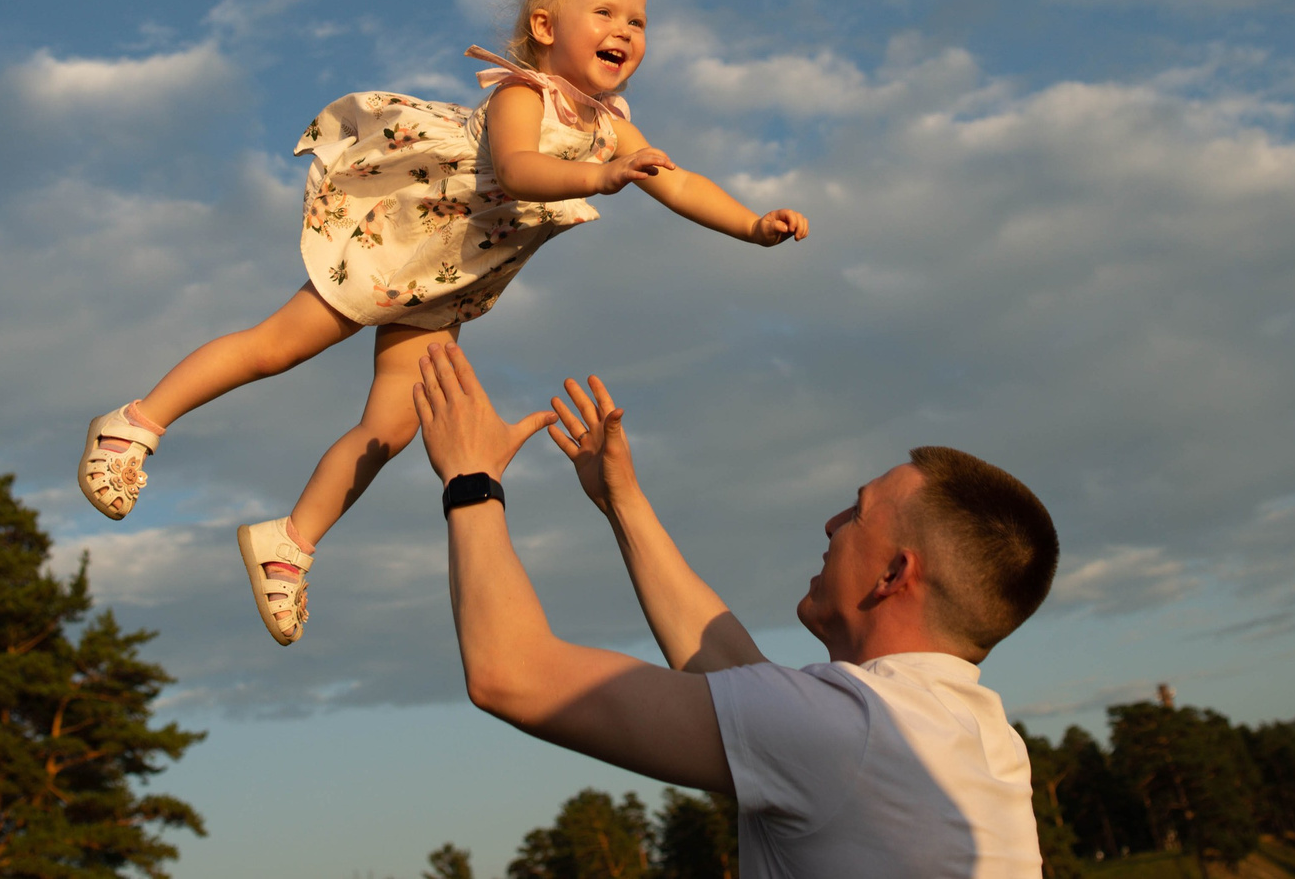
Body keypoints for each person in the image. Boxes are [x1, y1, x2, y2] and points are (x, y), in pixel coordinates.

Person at [76, 0, 811, 646]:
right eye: (605, 12)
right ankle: (134, 423)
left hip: (448, 285)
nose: (626, 30)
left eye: (638, 20)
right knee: (277, 346)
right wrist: (599, 175)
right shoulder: (521, 95)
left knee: (392, 428)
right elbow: (522, 169)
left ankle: (290, 540)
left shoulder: (612, 124)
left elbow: (682, 180)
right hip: (401, 243)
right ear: (545, 25)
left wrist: (751, 224)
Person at [413, 342, 1059, 878]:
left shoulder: (844, 730)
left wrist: (470, 477)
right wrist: (623, 501)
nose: (831, 523)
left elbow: (513, 672)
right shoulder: (983, 743)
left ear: (895, 572)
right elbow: (730, 670)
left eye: (856, 512)